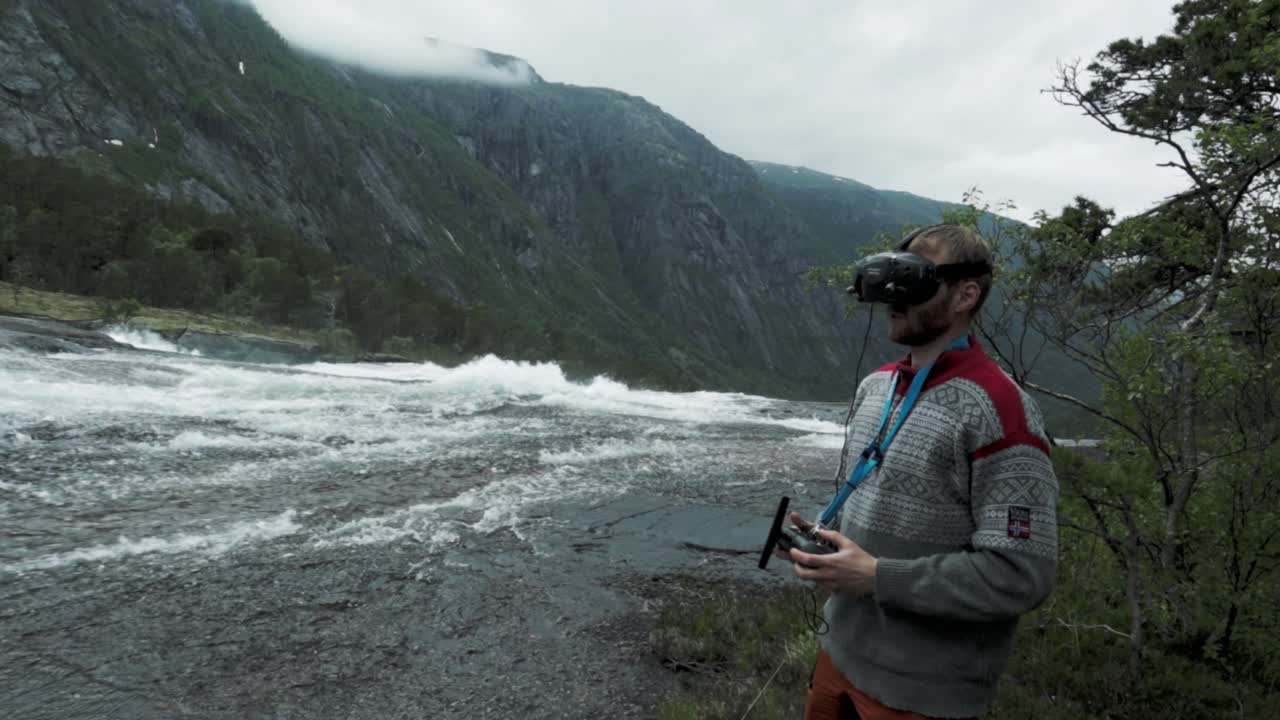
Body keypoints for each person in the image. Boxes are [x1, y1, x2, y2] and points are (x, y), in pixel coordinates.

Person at [786, 224, 1059, 720]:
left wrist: (877, 578)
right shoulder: (875, 388)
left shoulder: (1001, 411)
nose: (893, 296)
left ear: (966, 294)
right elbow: (864, 503)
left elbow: (1021, 574)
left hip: (924, 693)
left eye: (913, 278)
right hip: (837, 657)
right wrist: (826, 545)